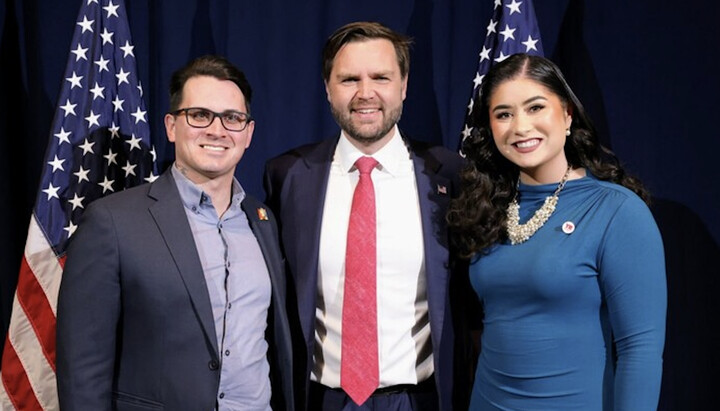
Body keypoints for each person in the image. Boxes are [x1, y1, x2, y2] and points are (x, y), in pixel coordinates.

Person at [56, 55, 294, 411]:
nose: (217, 130)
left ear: (248, 133)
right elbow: (83, 369)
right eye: (199, 115)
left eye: (232, 118)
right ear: (171, 126)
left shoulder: (263, 221)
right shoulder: (112, 222)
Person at [263, 21, 473, 411]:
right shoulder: (287, 175)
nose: (365, 93)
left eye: (380, 77)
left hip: (419, 400)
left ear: (404, 85)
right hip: (320, 400)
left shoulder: (449, 174)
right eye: (348, 79)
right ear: (327, 88)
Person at [447, 53, 667, 410]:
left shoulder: (616, 211)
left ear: (566, 115)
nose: (520, 127)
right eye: (504, 114)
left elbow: (640, 351)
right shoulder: (486, 207)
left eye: (535, 108)